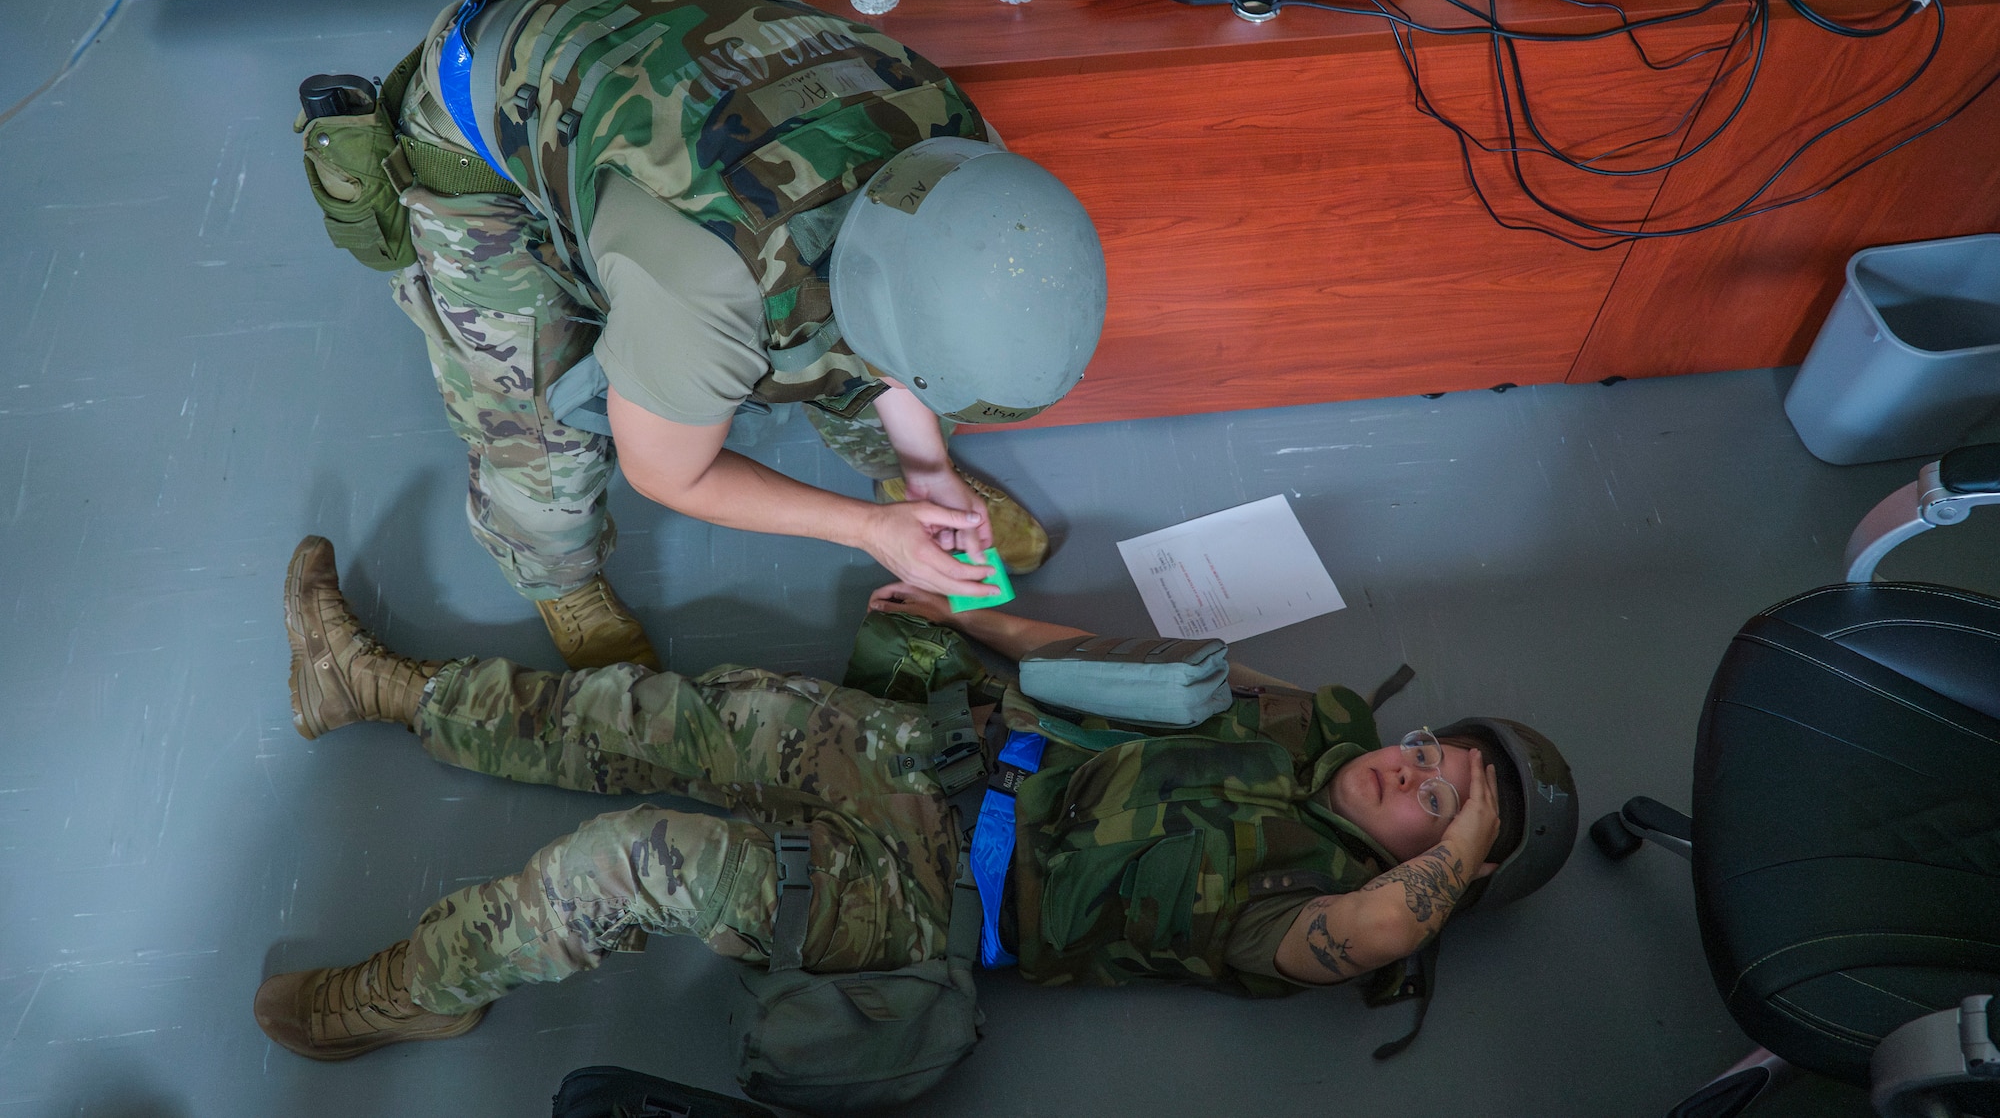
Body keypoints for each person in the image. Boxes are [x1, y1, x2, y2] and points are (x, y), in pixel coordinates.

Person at [253, 536, 1576, 1060]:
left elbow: (1382, 935)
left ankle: (412, 991)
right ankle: (376, 687)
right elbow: (1134, 671)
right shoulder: (1317, 719)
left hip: (919, 899)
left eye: (1438, 804)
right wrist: (978, 617)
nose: (1415, 770)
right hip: (931, 752)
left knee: (630, 857)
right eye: (1438, 753)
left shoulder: (1313, 920)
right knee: (653, 713)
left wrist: (1464, 849)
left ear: (1439, 860)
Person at [304, 0, 1108, 672]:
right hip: (486, 120)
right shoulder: (710, 286)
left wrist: (926, 466)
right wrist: (867, 530)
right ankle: (561, 577)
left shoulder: (969, 159)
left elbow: (898, 342)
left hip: (664, 44)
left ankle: (917, 484)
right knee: (533, 418)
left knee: (853, 353)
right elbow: (668, 471)